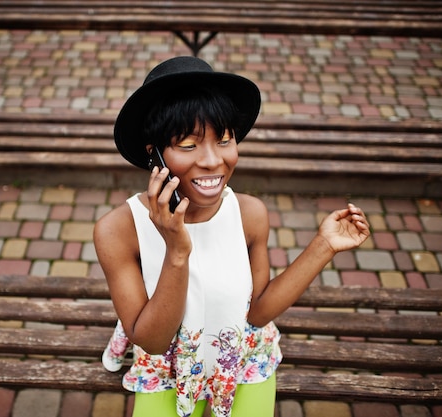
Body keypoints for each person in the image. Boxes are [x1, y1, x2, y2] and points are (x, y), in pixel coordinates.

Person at [94, 56, 370, 417]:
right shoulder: (118, 230)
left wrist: (324, 245)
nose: (213, 161)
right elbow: (154, 341)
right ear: (155, 155)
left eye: (225, 139)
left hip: (240, 360)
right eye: (189, 145)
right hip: (170, 369)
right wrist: (176, 250)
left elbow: (257, 311)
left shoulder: (249, 214)